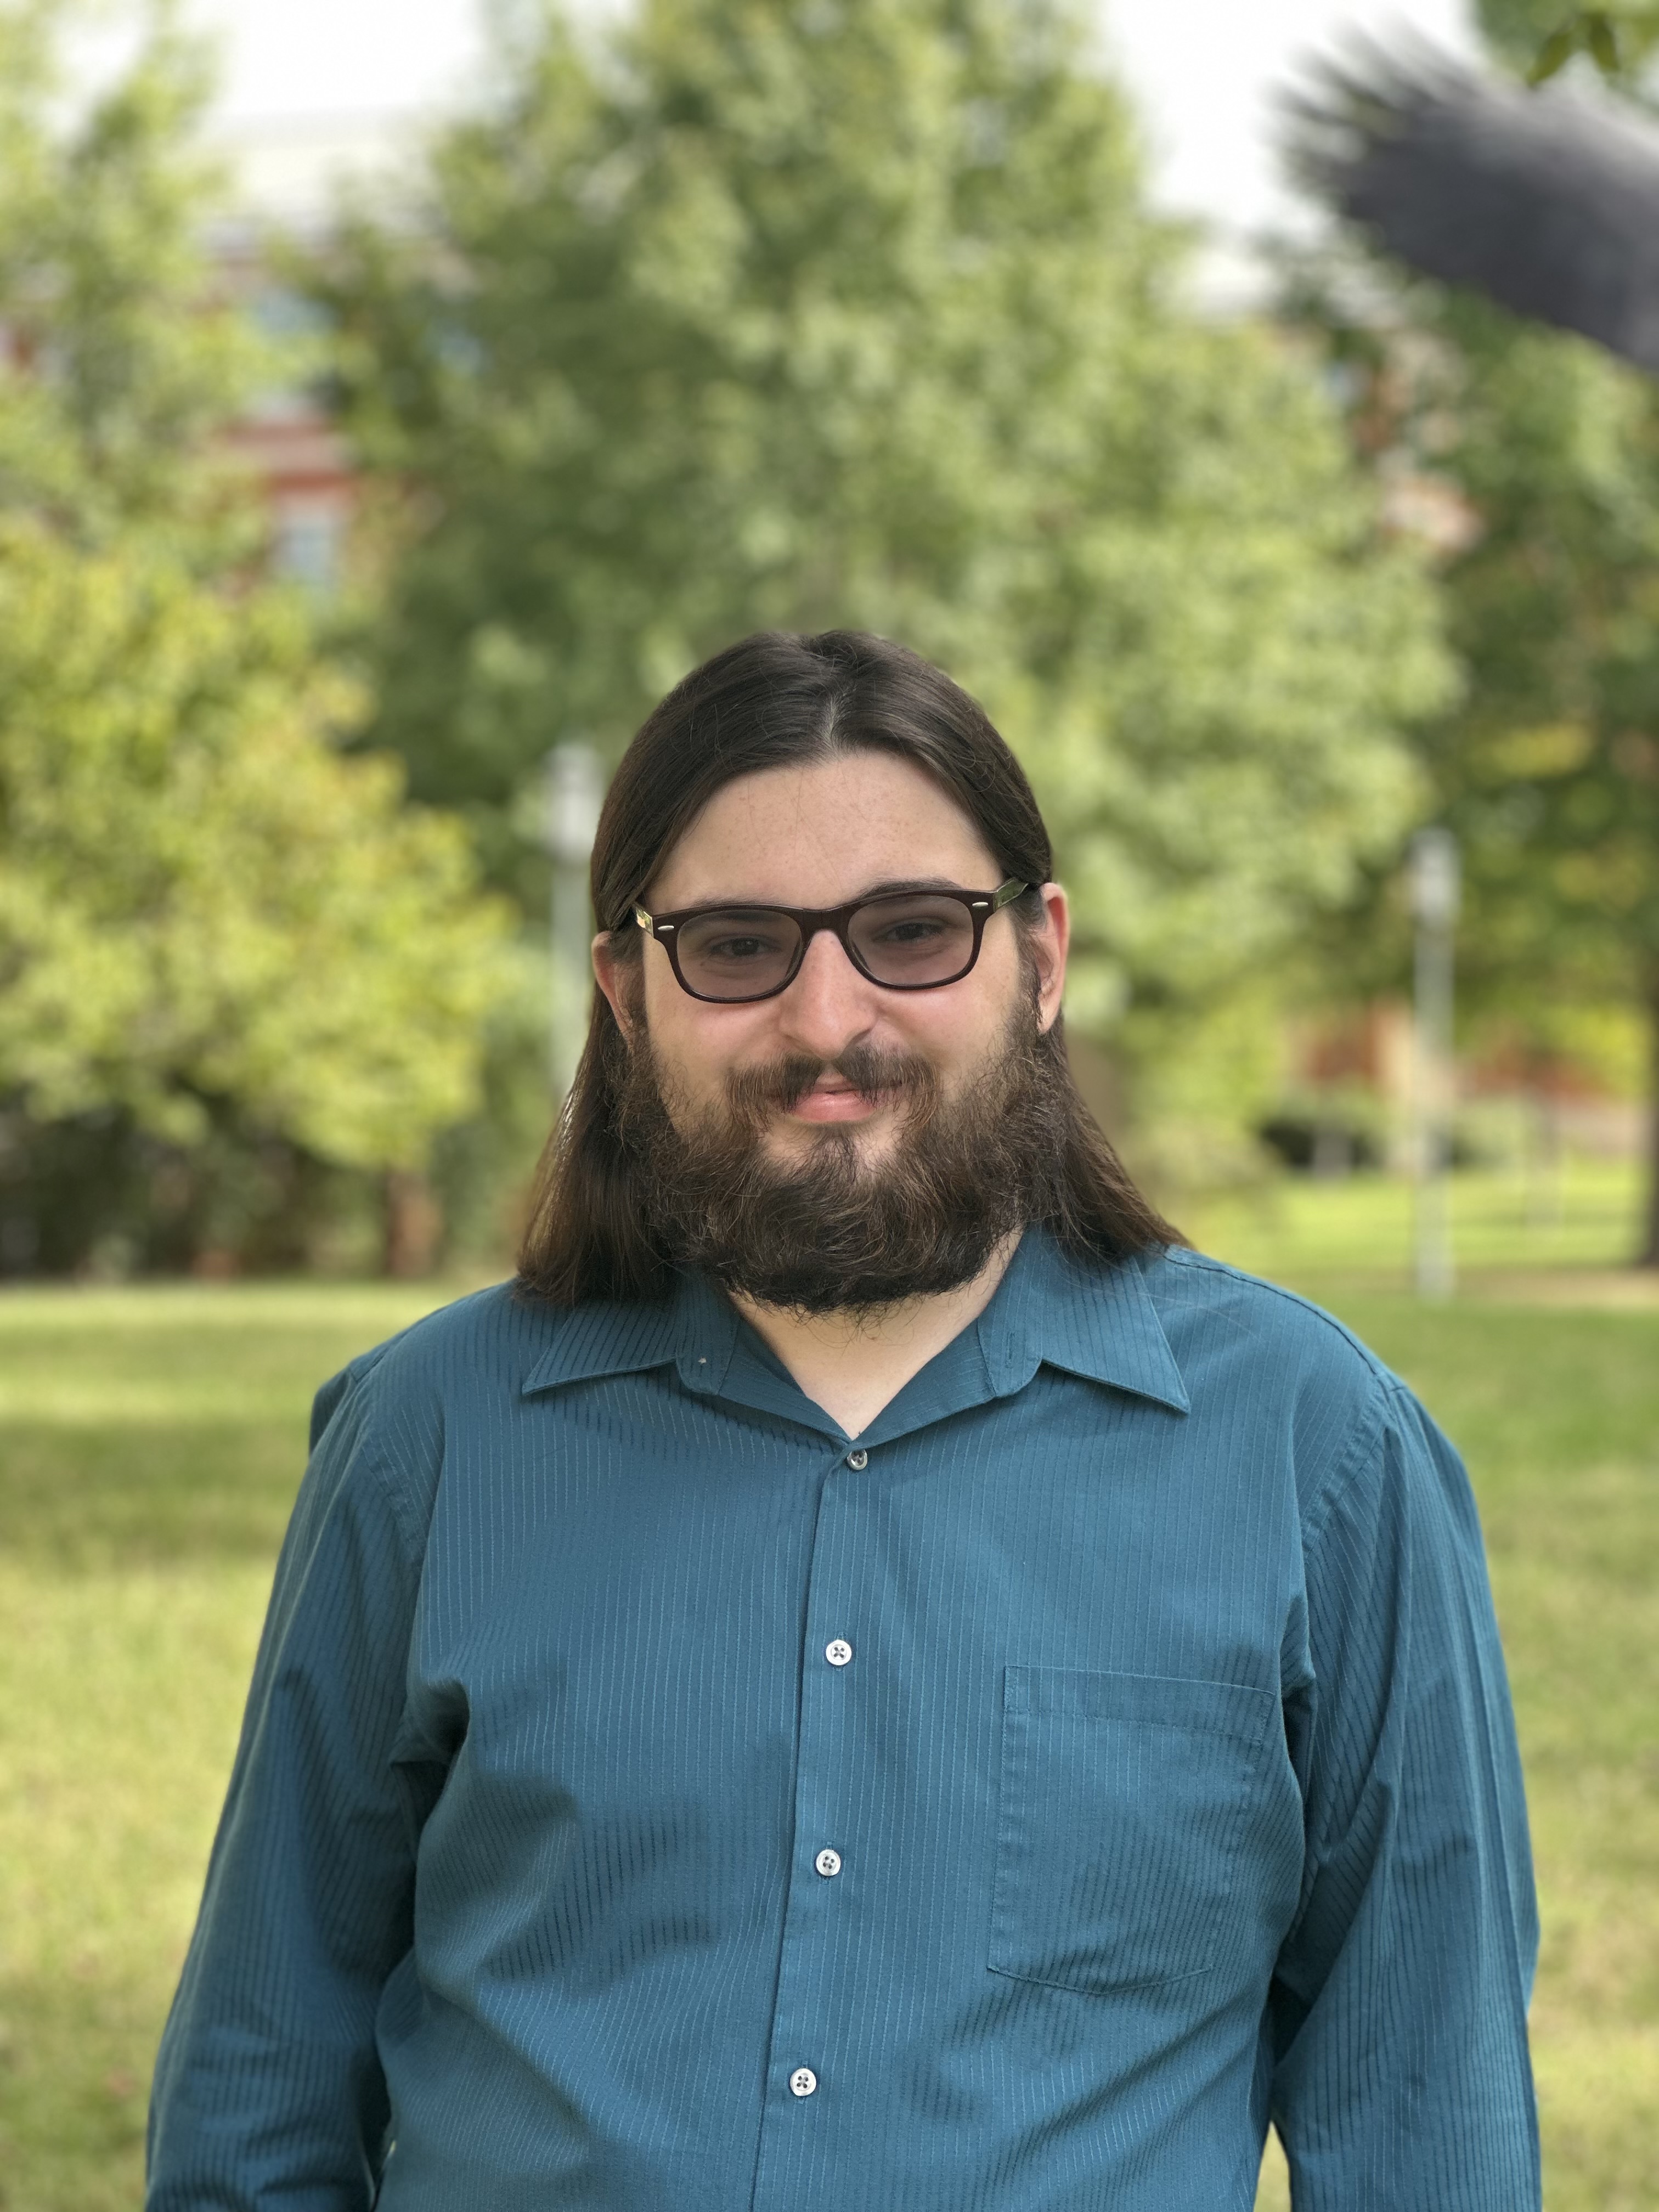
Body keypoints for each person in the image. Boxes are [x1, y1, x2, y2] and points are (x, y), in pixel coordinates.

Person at [146, 630, 1540, 2211]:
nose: (828, 1022)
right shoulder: (426, 1441)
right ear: (625, 991)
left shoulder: (1320, 1451)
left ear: (1043, 957)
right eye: (737, 947)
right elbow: (257, 2103)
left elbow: (1433, 2123)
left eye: (912, 933)